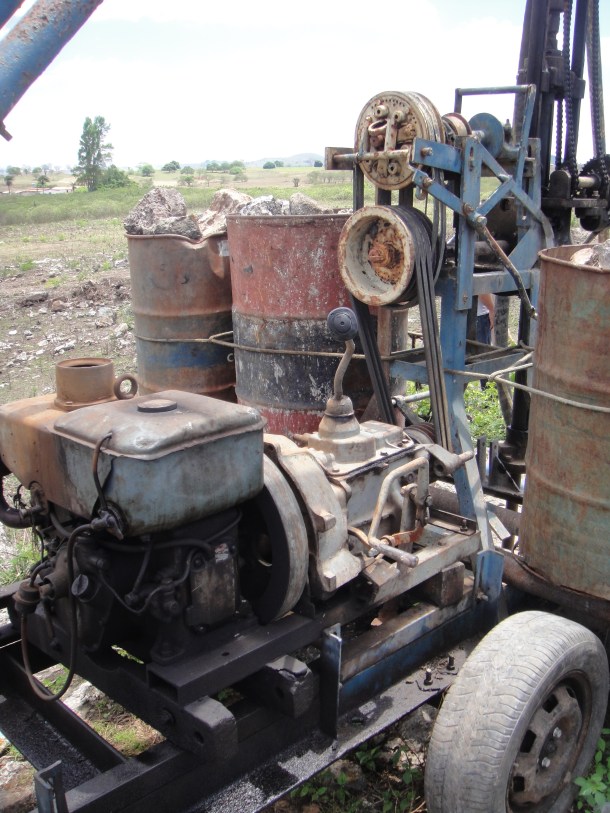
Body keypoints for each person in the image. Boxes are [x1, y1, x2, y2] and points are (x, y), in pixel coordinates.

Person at [476, 293, 495, 389]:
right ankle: (488, 393)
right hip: (480, 316)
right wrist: (492, 309)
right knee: (484, 357)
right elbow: (482, 291)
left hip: (466, 314)